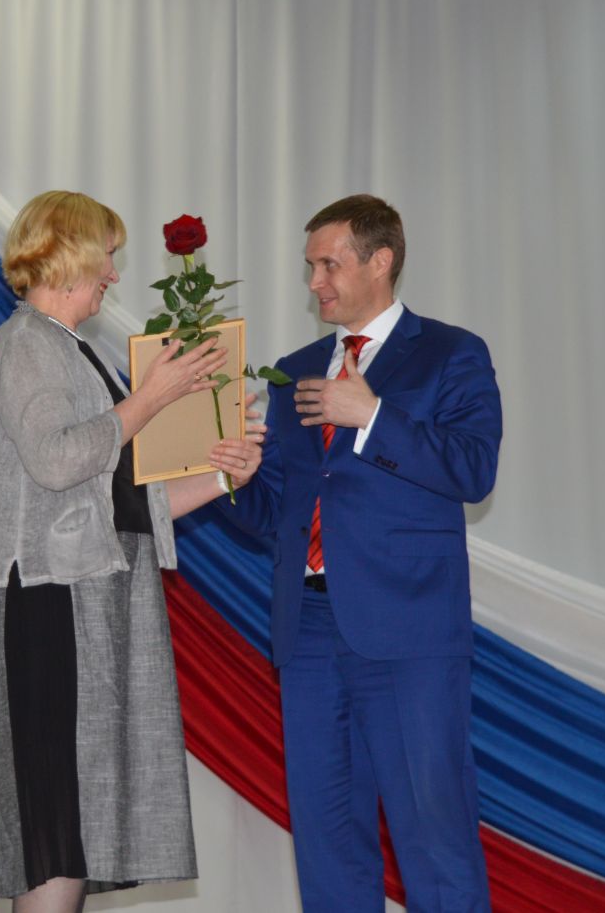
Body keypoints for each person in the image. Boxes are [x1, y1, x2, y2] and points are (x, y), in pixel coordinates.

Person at [0, 190, 266, 913]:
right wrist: (151, 398)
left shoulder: (70, 349)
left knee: (73, 822)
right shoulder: (27, 342)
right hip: (39, 605)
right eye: (107, 255)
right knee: (54, 823)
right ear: (69, 253)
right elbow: (56, 461)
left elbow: (123, 500)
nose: (112, 272)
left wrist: (224, 473)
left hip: (72, 601)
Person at [219, 195, 501, 912]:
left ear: (381, 261)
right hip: (308, 631)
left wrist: (372, 414)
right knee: (328, 842)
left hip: (408, 630)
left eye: (328, 264)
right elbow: (279, 513)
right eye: (310, 266)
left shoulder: (451, 353)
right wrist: (242, 482)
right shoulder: (294, 370)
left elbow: (473, 469)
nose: (314, 281)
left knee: (433, 839)